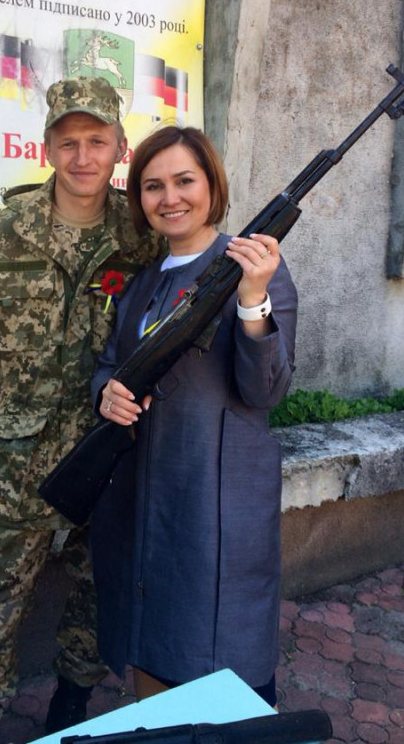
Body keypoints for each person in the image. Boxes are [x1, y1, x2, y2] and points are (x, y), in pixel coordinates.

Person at [0, 77, 160, 743]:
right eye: (69, 142)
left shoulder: (140, 236)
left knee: (95, 587)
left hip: (111, 447)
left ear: (120, 147)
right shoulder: (7, 231)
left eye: (97, 141)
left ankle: (70, 705)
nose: (83, 156)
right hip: (22, 457)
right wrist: (25, 402)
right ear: (47, 148)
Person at [88, 125, 298, 707]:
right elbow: (109, 366)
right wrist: (107, 394)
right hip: (139, 495)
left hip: (216, 501)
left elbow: (266, 391)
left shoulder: (256, 270)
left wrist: (252, 299)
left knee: (224, 657)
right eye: (153, 186)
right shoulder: (139, 283)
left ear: (212, 185)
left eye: (185, 180)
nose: (170, 198)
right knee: (148, 646)